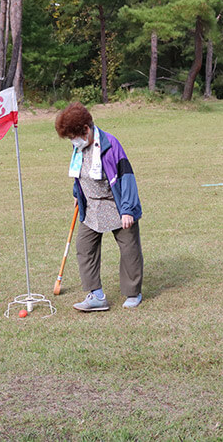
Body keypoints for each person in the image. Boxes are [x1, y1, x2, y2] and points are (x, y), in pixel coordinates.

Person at [55, 102, 144, 311]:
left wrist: (128, 210)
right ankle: (96, 295)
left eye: (73, 136)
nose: (72, 140)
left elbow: (126, 177)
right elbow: (79, 174)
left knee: (129, 248)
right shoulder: (79, 146)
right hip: (92, 206)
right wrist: (78, 194)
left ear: (86, 129)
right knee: (84, 248)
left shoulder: (110, 145)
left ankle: (133, 292)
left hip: (117, 204)